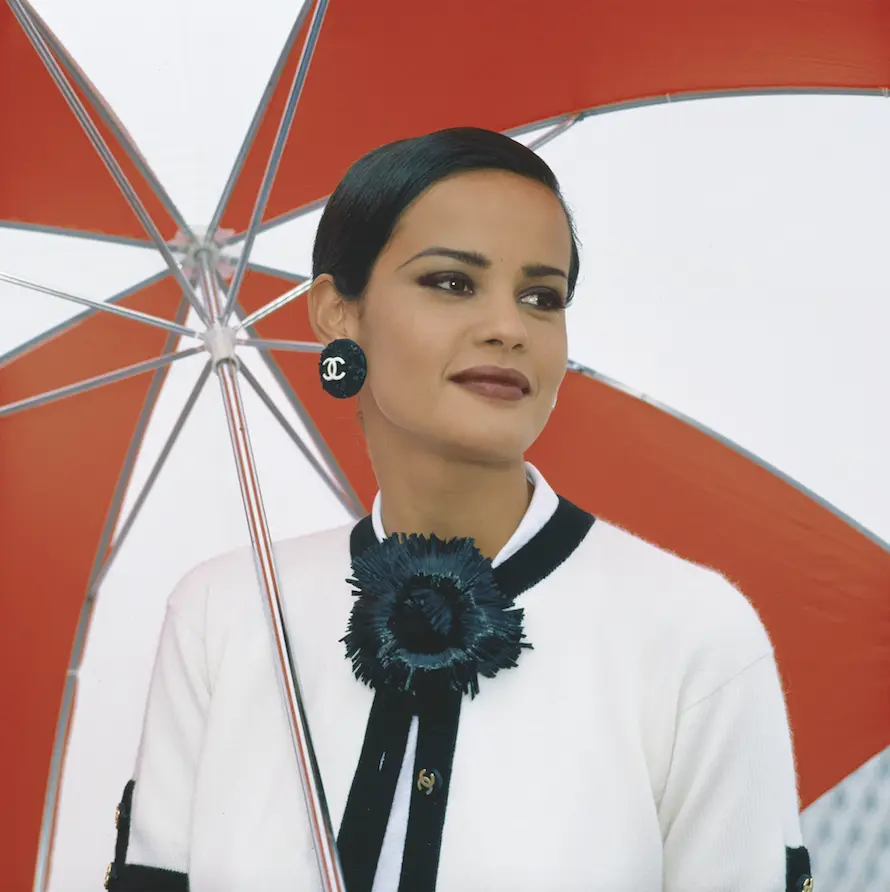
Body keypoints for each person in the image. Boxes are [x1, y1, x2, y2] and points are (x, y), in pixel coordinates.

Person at [105, 127, 813, 892]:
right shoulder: (225, 614)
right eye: (451, 282)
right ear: (337, 313)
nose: (509, 328)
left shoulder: (691, 634)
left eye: (542, 296)